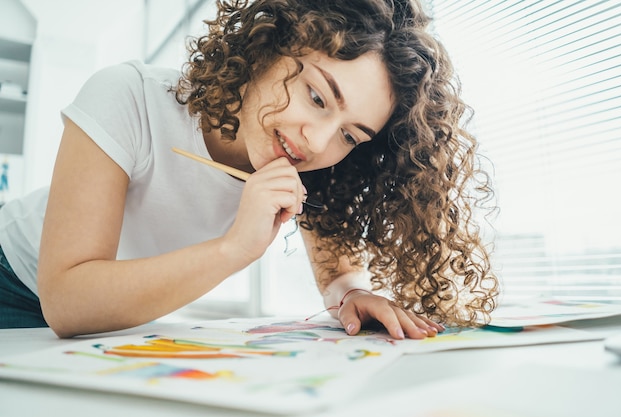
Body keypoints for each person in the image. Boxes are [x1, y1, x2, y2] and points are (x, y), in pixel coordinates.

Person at [0, 0, 498, 338]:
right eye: (318, 96)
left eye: (351, 136)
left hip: (113, 318)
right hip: (15, 277)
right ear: (271, 45)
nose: (319, 141)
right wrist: (233, 250)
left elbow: (339, 274)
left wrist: (353, 295)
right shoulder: (128, 95)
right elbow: (66, 301)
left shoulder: (310, 163)